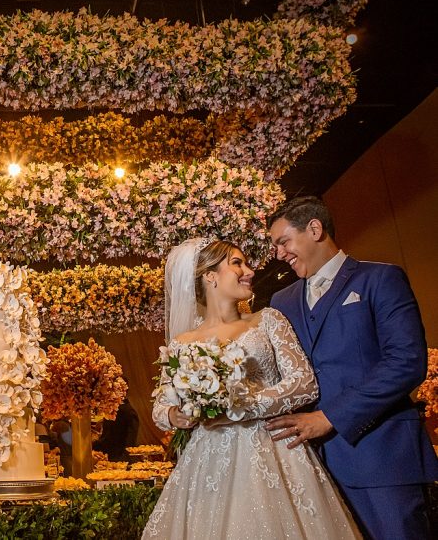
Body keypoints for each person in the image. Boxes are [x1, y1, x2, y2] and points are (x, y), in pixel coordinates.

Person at [143, 238, 359, 539]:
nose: (249, 271)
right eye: (237, 263)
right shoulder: (182, 344)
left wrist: (237, 406)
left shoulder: (267, 320)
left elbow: (304, 383)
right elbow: (160, 408)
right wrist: (176, 415)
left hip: (274, 449)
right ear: (210, 276)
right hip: (207, 462)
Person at [266, 196, 438, 539]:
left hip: (381, 458)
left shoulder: (380, 278)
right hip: (311, 467)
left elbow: (406, 362)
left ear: (315, 229)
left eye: (283, 241)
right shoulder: (280, 301)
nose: (278, 254)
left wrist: (330, 417)